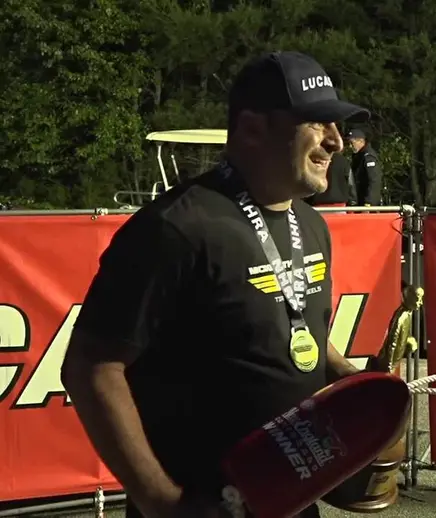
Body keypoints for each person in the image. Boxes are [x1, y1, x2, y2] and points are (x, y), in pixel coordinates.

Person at [61, 51, 371, 518]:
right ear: (252, 128)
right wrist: (161, 501)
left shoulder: (310, 225)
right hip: (201, 504)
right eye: (317, 122)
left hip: (292, 503)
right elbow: (91, 367)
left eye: (337, 126)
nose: (336, 142)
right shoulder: (175, 228)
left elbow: (294, 330)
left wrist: (351, 381)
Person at [345, 129, 382, 206]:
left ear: (361, 141)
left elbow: (374, 180)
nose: (350, 146)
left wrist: (369, 202)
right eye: (349, 143)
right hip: (359, 200)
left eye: (352, 143)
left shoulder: (368, 157)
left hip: (367, 203)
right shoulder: (358, 156)